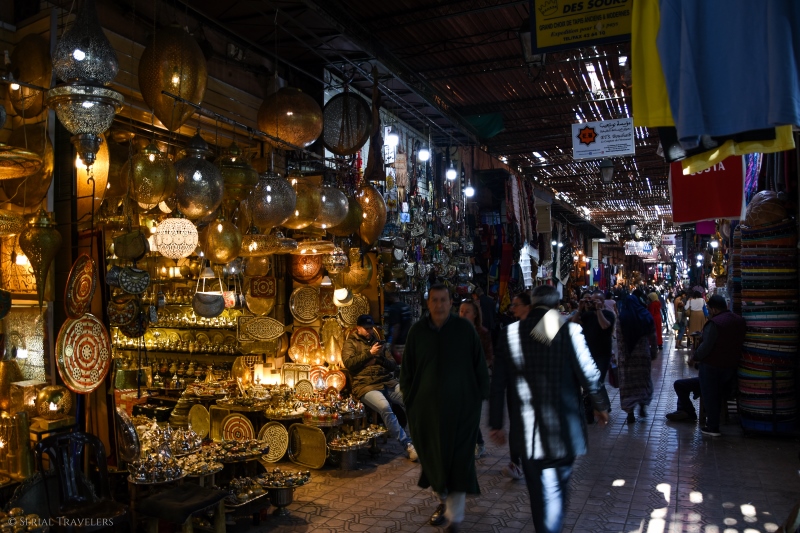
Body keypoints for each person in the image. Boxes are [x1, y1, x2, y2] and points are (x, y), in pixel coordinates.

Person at [489, 284, 610, 533]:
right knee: (555, 490)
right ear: (556, 305)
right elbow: (589, 373)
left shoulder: (510, 333)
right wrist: (600, 406)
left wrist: (496, 422)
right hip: (564, 427)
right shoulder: (568, 330)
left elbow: (498, 382)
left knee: (537, 492)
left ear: (532, 304)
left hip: (527, 429)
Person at [400, 285, 490, 532]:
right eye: (435, 300)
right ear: (428, 303)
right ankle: (443, 500)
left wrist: (481, 394)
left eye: (443, 300)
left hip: (462, 409)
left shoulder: (464, 330)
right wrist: (410, 398)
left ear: (451, 303)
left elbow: (479, 363)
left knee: (459, 460)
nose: (439, 305)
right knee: (434, 459)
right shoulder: (417, 332)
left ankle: (454, 517)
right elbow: (407, 370)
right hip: (427, 412)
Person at [666, 295, 745, 436]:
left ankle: (712, 426)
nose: (707, 311)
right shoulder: (738, 320)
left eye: (708, 309)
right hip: (731, 371)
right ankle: (686, 412)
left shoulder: (714, 324)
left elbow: (705, 347)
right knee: (681, 385)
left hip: (713, 369)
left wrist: (694, 358)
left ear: (714, 309)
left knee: (709, 393)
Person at [342, 314, 417, 461]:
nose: (369, 331)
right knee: (385, 407)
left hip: (387, 382)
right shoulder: (350, 343)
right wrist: (369, 354)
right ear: (358, 328)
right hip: (366, 385)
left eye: (371, 328)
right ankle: (407, 445)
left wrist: (379, 358)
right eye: (366, 328)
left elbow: (393, 366)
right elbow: (349, 363)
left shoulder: (378, 343)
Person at [501, 290, 533, 480]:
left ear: (527, 307)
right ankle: (515, 462)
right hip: (515, 385)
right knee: (516, 424)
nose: (512, 309)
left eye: (516, 305)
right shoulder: (511, 330)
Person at [616, 293, 658, 423]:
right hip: (643, 355)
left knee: (628, 385)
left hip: (628, 356)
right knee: (643, 381)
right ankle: (642, 405)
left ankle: (630, 413)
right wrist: (653, 351)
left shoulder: (622, 318)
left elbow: (620, 340)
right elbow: (653, 336)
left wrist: (621, 357)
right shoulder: (645, 315)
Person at [459, 299, 493, 459]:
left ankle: (478, 442)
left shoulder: (482, 333)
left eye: (467, 311)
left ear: (474, 314)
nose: (463, 314)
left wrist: (478, 370)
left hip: (474, 381)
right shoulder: (454, 331)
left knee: (470, 414)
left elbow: (488, 357)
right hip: (459, 379)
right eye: (461, 311)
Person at [384, 292, 413, 364]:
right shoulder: (406, 306)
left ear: (390, 296)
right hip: (406, 341)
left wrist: (392, 344)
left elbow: (396, 327)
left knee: (397, 365)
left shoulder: (394, 308)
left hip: (398, 343)